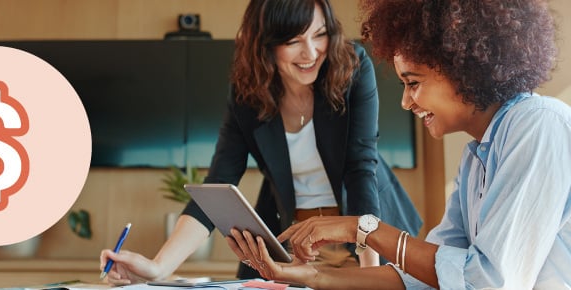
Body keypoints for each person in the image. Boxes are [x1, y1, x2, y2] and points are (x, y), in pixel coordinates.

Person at [227, 0, 571, 289]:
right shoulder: (475, 159)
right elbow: (425, 276)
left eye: (413, 83)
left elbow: (486, 281)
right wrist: (310, 276)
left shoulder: (538, 124)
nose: (406, 102)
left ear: (463, 69)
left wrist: (361, 227)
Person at [99, 0, 421, 284]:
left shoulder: (352, 67)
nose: (311, 52)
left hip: (365, 236)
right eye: (294, 40)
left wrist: (368, 275)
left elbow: (360, 167)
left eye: (319, 34)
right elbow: (219, 184)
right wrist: (157, 267)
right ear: (266, 44)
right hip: (294, 244)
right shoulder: (247, 94)